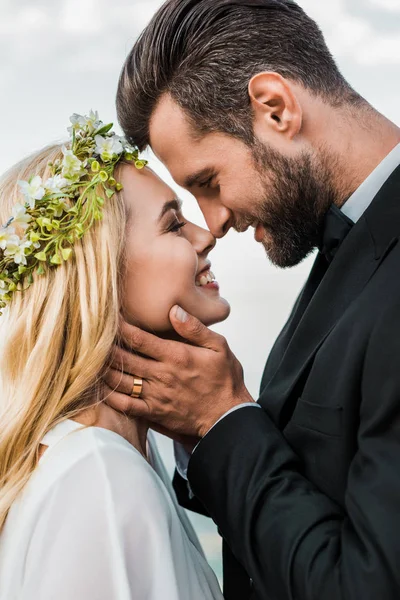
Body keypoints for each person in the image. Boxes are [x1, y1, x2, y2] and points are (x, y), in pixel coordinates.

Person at [108, 1, 400, 599]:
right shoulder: (348, 249)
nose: (211, 223)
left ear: (276, 107)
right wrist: (202, 429)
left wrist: (222, 419)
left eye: (208, 182)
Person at [0, 112, 225, 600]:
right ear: (102, 276)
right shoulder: (98, 477)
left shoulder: (118, 461)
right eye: (172, 224)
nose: (205, 235)